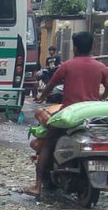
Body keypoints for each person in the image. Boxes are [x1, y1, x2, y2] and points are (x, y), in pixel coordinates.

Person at [24, 31, 108, 196]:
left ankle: (38, 186)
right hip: (93, 117)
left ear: (75, 48)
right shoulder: (101, 67)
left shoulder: (67, 66)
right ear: (91, 47)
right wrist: (100, 98)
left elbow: (50, 84)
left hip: (70, 116)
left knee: (48, 143)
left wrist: (41, 97)